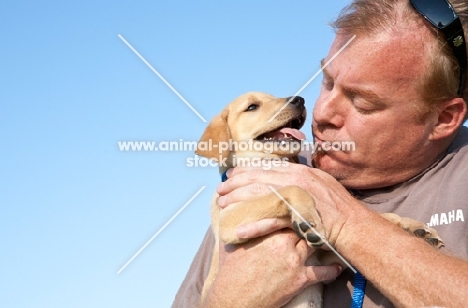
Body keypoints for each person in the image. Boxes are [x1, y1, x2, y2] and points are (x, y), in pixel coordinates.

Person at [172, 0, 468, 307]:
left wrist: (348, 224)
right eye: (327, 82)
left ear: (443, 119)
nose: (322, 111)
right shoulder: (264, 178)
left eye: (362, 102)